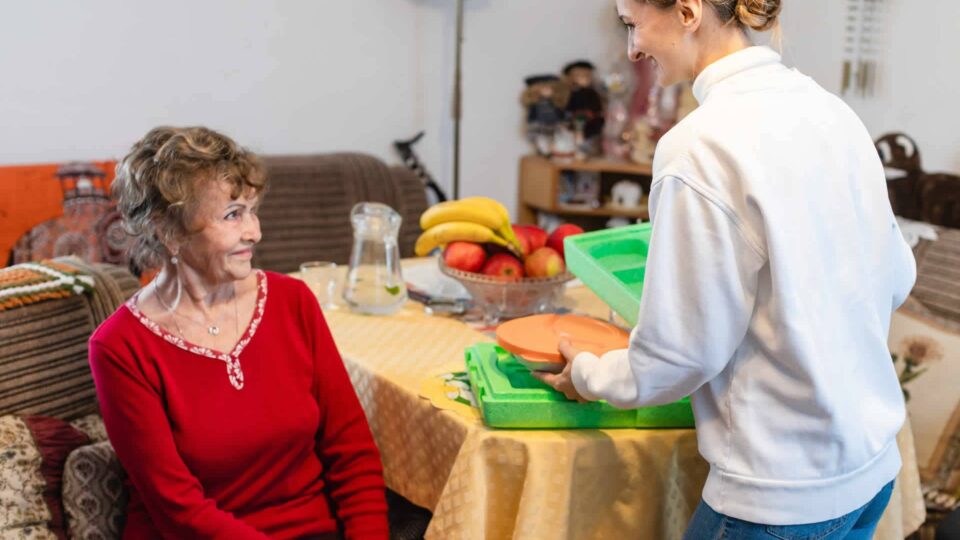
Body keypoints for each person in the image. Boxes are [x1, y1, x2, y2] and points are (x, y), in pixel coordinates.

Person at [534, 0, 917, 538]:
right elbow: (897, 276)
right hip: (869, 472)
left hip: (779, 495)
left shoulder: (697, 148)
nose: (632, 48)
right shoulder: (833, 112)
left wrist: (590, 374)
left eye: (633, 24)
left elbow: (678, 355)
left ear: (688, 12)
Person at [89, 126, 388, 539]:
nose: (254, 231)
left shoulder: (292, 301)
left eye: (252, 209)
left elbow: (352, 454)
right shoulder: (120, 347)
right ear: (168, 231)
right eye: (232, 215)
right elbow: (179, 509)